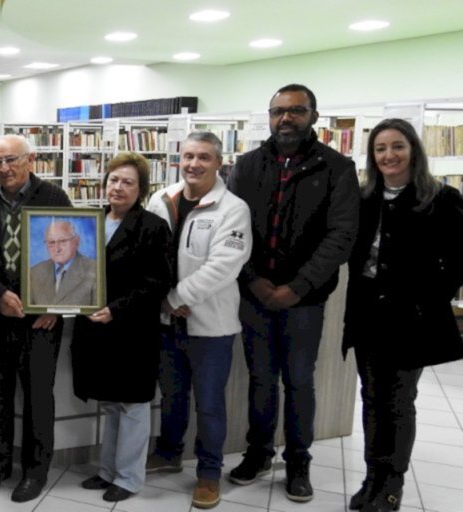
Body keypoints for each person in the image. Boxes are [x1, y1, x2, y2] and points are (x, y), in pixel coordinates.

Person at [226, 84, 360, 502]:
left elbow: (342, 236)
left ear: (313, 117)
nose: (286, 118)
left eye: (296, 111)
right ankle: (259, 452)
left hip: (305, 300)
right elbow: (231, 229)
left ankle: (299, 462)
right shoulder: (247, 165)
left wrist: (297, 286)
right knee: (261, 380)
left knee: (300, 381)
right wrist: (252, 280)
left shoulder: (338, 168)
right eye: (278, 111)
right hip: (254, 295)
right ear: (269, 117)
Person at [342, 119, 463, 512]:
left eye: (397, 147)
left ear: (413, 150)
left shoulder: (442, 198)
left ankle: (392, 484)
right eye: (380, 149)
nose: (388, 156)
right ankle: (371, 477)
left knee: (398, 401)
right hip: (367, 319)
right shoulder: (363, 199)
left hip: (411, 321)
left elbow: (458, 262)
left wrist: (429, 297)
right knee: (371, 397)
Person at [0, 134, 72, 503]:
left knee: (39, 397)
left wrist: (54, 306)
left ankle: (35, 472)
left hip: (40, 322)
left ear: (31, 160)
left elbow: (74, 252)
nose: (4, 168)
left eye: (11, 160)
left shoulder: (54, 199)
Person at [145, 132, 252, 510]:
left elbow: (223, 267)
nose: (194, 164)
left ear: (218, 162)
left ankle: (209, 472)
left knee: (208, 403)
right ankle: (169, 451)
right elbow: (148, 250)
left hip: (211, 327)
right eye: (188, 156)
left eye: (203, 157)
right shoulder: (161, 199)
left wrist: (176, 297)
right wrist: (162, 300)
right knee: (172, 395)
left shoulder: (233, 208)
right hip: (166, 321)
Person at [71, 152, 171, 503]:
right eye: (113, 179)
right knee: (111, 404)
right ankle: (107, 471)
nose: (118, 187)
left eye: (128, 182)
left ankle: (129, 477)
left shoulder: (153, 228)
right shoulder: (90, 221)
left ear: (141, 189)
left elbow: (157, 282)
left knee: (132, 406)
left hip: (131, 331)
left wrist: (116, 310)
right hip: (96, 331)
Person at [28, 219, 97, 306]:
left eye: (63, 241)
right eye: (51, 242)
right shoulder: (35, 272)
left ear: (76, 241)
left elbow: (97, 313)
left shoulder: (95, 270)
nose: (57, 249)